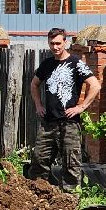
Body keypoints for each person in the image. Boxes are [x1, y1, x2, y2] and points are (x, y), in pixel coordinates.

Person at [28, 27, 101, 189]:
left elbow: (95, 85)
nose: (55, 47)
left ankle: (70, 200)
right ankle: (38, 196)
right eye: (52, 43)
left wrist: (81, 107)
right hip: (48, 123)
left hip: (69, 123)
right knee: (39, 160)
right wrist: (38, 105)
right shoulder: (47, 64)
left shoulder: (76, 63)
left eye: (58, 43)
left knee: (71, 163)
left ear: (65, 42)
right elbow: (34, 84)